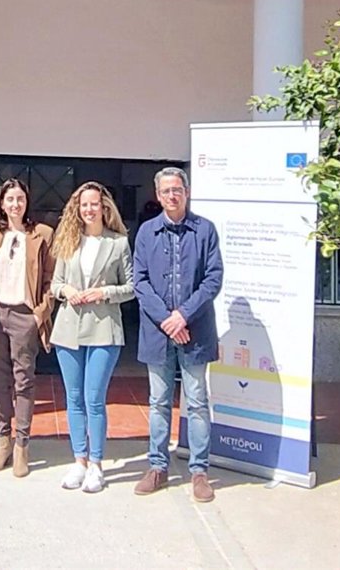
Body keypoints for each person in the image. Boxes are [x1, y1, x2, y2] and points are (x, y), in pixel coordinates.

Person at [133, 167, 223, 502]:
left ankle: (199, 472)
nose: (172, 195)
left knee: (197, 401)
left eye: (177, 190)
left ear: (187, 192)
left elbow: (213, 279)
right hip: (158, 332)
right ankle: (157, 467)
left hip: (195, 329)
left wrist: (183, 315)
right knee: (158, 401)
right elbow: (140, 281)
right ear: (158, 196)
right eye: (166, 191)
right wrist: (167, 319)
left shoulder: (205, 230)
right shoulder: (147, 232)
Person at [49, 181, 135, 493]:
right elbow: (55, 284)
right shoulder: (68, 241)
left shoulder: (118, 243)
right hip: (68, 328)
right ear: (77, 208)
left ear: (103, 207)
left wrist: (104, 292)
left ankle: (97, 464)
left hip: (104, 329)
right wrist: (66, 291)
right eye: (83, 205)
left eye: (94, 204)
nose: (89, 209)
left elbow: (131, 287)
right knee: (73, 398)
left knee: (94, 398)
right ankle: (79, 461)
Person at [0, 178, 54, 477]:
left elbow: (50, 279)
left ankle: (22, 445)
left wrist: (39, 314)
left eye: (20, 198)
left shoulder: (42, 235)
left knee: (24, 381)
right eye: (10, 199)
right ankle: (3, 441)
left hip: (24, 314)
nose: (15, 204)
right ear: (2, 204)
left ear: (27, 201)